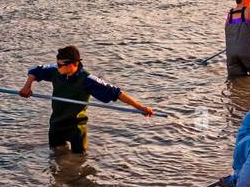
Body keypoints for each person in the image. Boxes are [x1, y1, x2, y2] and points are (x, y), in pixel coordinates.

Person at [20, 45, 154, 153]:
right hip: (56, 124)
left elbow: (116, 93)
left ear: (73, 64)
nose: (57, 67)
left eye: (61, 65)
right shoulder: (56, 71)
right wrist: (27, 86)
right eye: (57, 64)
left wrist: (141, 108)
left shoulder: (88, 80)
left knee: (78, 161)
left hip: (76, 126)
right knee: (55, 156)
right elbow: (35, 71)